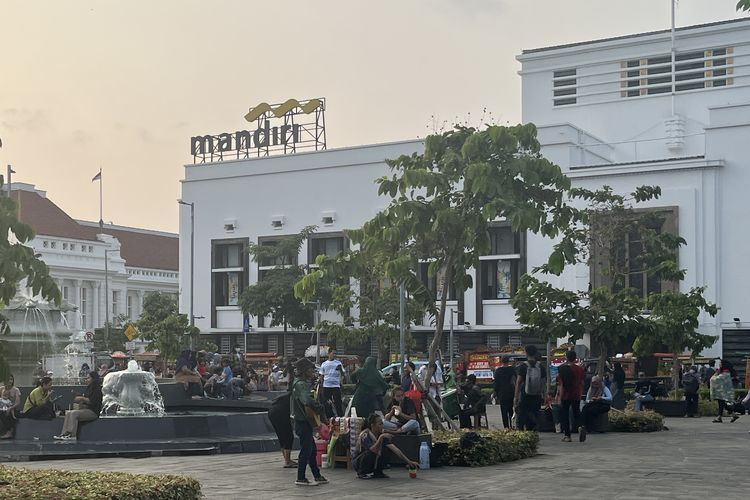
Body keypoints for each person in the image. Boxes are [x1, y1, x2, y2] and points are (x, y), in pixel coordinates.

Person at [290, 357, 327, 487]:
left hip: (302, 421)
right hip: (303, 421)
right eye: (311, 369)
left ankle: (317, 475)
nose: (313, 371)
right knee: (306, 450)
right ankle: (300, 477)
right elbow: (306, 400)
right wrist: (318, 406)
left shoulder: (298, 383)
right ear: (305, 371)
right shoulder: (301, 384)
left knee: (311, 450)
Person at [353, 413, 419, 480]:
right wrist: (380, 438)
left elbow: (395, 449)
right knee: (370, 453)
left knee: (388, 449)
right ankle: (361, 473)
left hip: (373, 463)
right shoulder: (365, 435)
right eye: (380, 424)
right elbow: (372, 450)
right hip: (360, 462)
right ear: (372, 425)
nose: (382, 426)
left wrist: (409, 462)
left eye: (382, 424)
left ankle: (378, 472)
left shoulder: (382, 434)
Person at [53, 371, 103, 441]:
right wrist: (80, 400)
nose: (86, 380)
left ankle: (72, 435)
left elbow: (91, 401)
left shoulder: (97, 389)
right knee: (69, 413)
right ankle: (64, 433)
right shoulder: (89, 388)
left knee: (74, 414)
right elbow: (86, 400)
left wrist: (82, 398)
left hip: (93, 412)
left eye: (88, 378)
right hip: (87, 410)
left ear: (93, 379)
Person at [514, 345, 546, 431]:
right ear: (535, 353)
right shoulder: (541, 367)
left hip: (525, 394)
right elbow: (543, 383)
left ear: (526, 353)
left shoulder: (523, 366)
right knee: (534, 414)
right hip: (537, 395)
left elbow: (518, 382)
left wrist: (516, 397)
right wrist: (544, 396)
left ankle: (522, 434)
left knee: (522, 415)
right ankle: (532, 432)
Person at [556, 350, 585, 442]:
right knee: (577, 412)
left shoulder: (562, 369)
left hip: (566, 394)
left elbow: (561, 384)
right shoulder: (580, 369)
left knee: (564, 414)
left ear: (566, 358)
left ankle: (567, 436)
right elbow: (581, 382)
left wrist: (559, 397)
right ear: (575, 358)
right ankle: (580, 426)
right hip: (576, 393)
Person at [268, 390, 297, 468]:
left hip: (272, 412)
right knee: (288, 436)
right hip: (280, 413)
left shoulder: (288, 395)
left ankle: (287, 460)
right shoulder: (296, 395)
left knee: (281, 436)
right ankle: (287, 461)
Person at [579, 375, 612, 442]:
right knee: (585, 408)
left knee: (592, 410)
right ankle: (583, 426)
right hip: (593, 403)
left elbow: (610, 398)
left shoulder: (604, 388)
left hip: (603, 404)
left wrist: (601, 398)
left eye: (596, 383)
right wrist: (591, 400)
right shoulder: (590, 389)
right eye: (593, 383)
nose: (595, 385)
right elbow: (587, 399)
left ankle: (590, 427)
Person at [319, 347, 344, 419]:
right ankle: (330, 417)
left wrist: (340, 371)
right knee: (327, 403)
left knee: (338, 402)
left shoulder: (338, 363)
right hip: (326, 386)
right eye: (333, 353)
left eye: (335, 353)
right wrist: (321, 385)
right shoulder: (324, 364)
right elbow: (322, 375)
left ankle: (340, 417)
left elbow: (343, 374)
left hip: (336, 386)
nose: (335, 355)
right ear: (329, 354)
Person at [493, 355, 516, 429]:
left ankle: (506, 427)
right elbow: (514, 380)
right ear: (508, 361)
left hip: (502, 393)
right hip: (511, 392)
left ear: (501, 361)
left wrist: (495, 393)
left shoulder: (498, 371)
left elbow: (496, 384)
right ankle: (512, 425)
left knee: (504, 411)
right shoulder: (512, 369)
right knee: (511, 410)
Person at [0, 374, 22, 439]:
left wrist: (10, 408)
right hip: (2, 407)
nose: (10, 381)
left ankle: (9, 432)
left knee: (7, 413)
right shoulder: (1, 388)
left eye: (11, 379)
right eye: (8, 379)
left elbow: (17, 402)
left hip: (12, 408)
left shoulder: (16, 390)